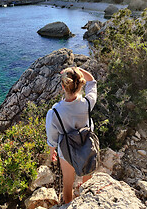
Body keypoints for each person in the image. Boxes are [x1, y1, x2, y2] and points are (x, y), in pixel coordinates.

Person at [46, 67, 97, 204]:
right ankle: (87, 203)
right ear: (81, 84)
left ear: (63, 86)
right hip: (87, 145)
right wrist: (77, 69)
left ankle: (69, 205)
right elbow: (91, 81)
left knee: (67, 184)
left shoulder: (54, 112)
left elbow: (52, 138)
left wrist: (52, 151)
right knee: (87, 176)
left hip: (66, 150)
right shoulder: (88, 102)